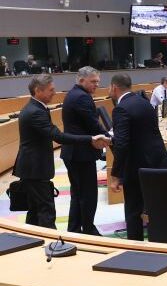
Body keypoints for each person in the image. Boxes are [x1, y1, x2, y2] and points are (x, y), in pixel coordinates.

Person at [13, 75, 108, 229]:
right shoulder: (35, 112)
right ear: (38, 90)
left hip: (31, 167)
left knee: (35, 210)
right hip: (35, 168)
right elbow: (58, 136)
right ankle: (52, 241)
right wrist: (90, 139)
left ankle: (34, 239)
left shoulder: (35, 107)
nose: (54, 93)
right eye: (51, 90)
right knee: (46, 210)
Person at [107, 73, 167, 240]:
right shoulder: (145, 103)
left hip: (137, 168)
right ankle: (160, 243)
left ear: (114, 87)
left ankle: (135, 247)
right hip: (158, 162)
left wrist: (115, 175)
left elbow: (122, 144)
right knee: (155, 208)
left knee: (134, 211)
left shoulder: (121, 109)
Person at [60, 67, 108, 235]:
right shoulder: (82, 97)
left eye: (98, 81)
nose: (97, 84)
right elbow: (93, 124)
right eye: (93, 81)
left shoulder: (74, 94)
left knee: (78, 193)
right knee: (88, 194)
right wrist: (111, 137)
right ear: (81, 80)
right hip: (80, 154)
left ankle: (74, 229)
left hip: (73, 152)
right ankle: (88, 230)